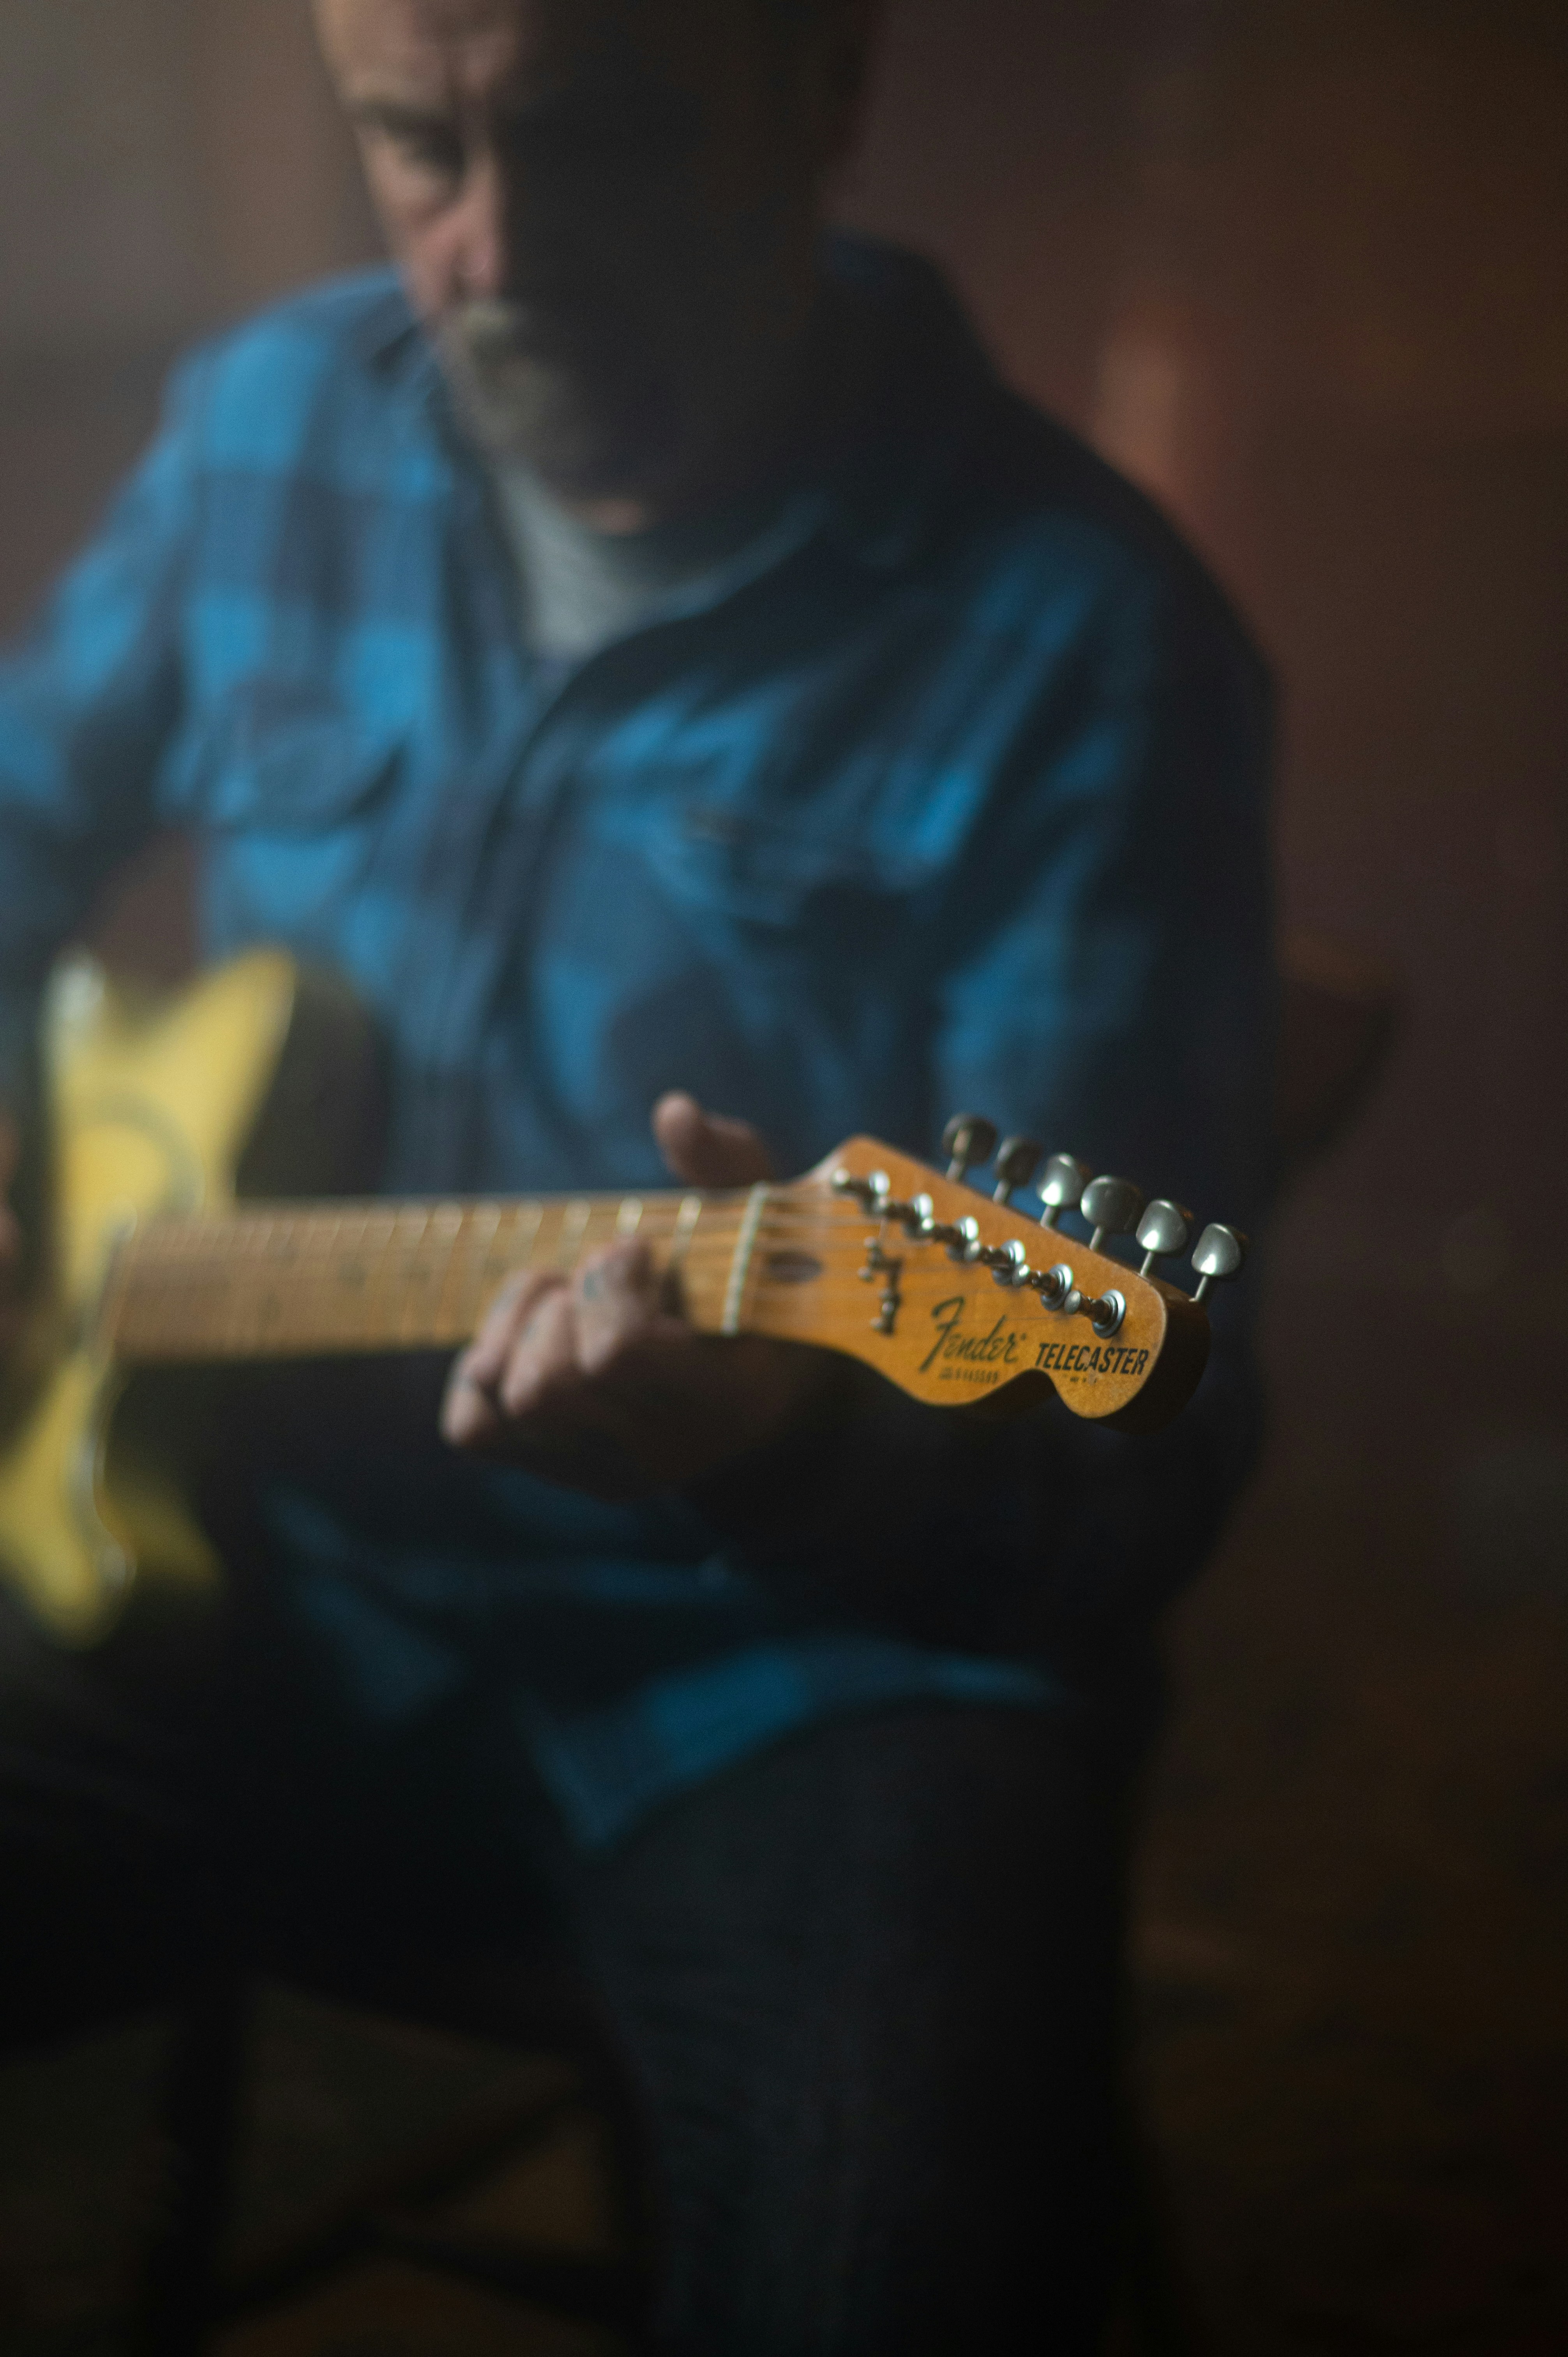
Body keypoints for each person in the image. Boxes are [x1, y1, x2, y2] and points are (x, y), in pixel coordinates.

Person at [0, 0, 1275, 2346]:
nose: (483, 252)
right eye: (408, 142)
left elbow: (1133, 1455)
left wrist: (789, 1441)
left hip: (802, 1683)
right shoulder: (272, 426)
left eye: (589, 142)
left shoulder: (1084, 640)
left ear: (821, 82)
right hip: (229, 1558)